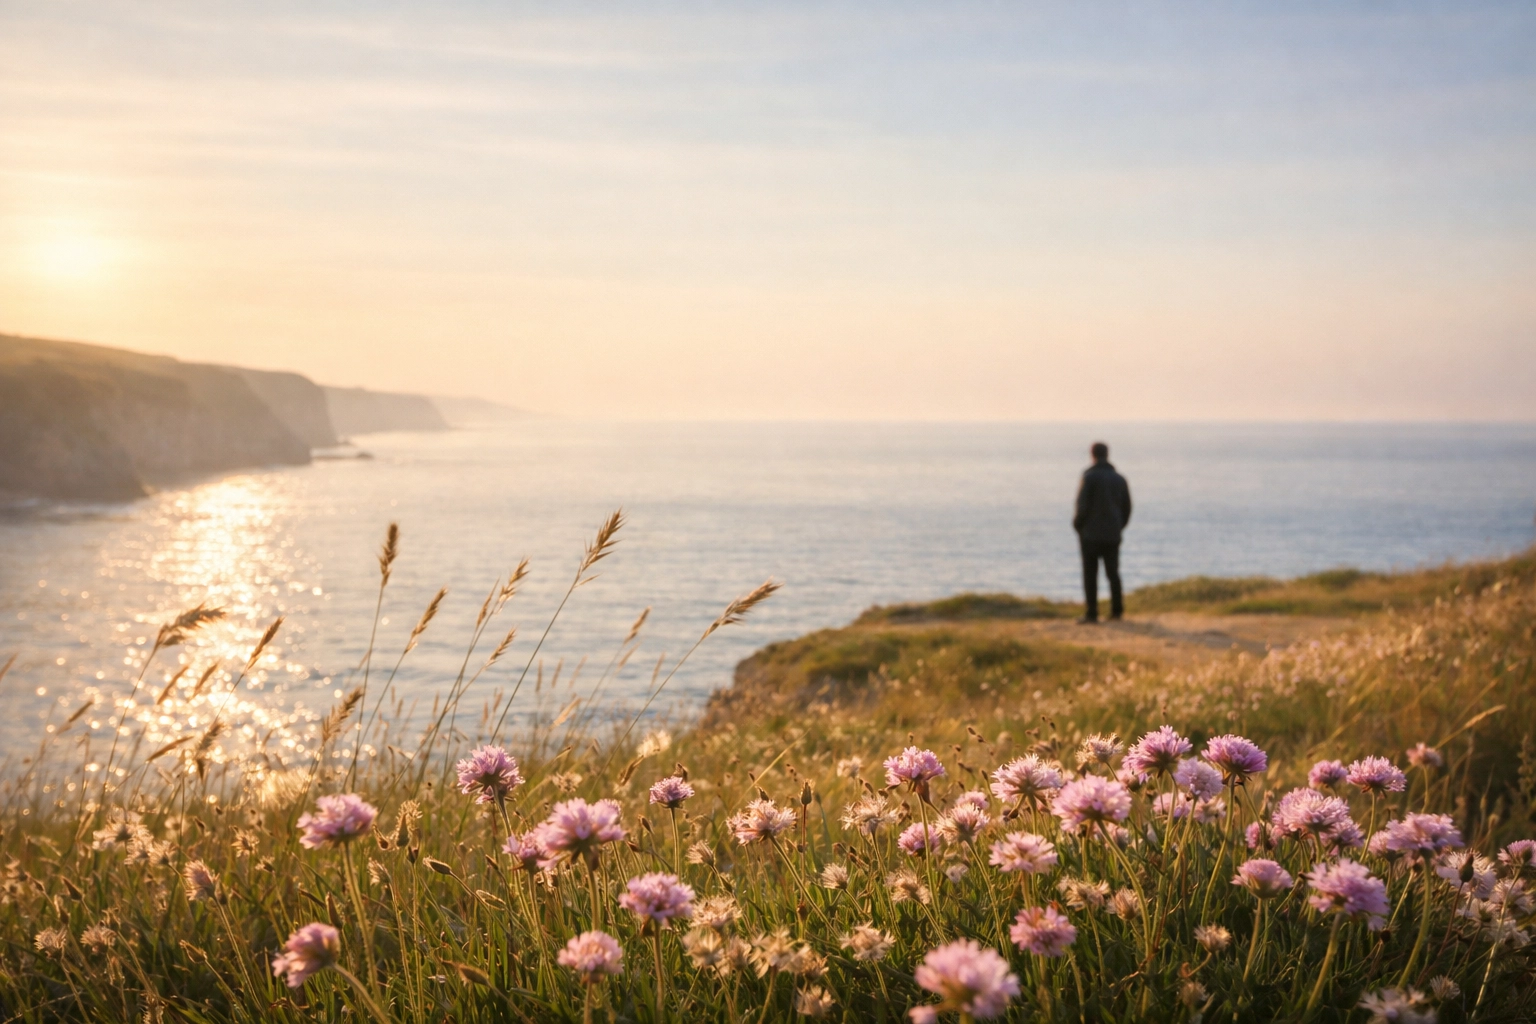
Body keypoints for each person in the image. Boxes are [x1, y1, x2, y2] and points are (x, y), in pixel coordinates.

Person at [1073, 441, 1132, 623]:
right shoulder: (1120, 479)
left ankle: (1092, 613)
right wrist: (1119, 526)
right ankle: (1117, 612)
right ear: (1107, 454)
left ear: (1092, 455)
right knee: (1113, 573)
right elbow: (1127, 507)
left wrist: (1078, 526)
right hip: (1112, 534)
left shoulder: (1089, 477)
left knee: (1090, 574)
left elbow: (1082, 507)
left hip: (1090, 534)